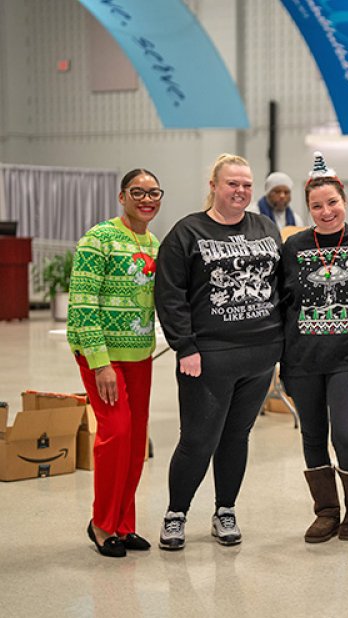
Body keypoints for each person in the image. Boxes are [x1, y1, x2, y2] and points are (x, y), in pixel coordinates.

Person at [154, 154, 283, 550]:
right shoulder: (186, 232)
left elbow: (283, 286)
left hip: (260, 355)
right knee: (197, 439)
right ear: (213, 185)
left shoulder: (266, 226)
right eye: (232, 184)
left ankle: (225, 510)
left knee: (236, 437)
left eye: (246, 184)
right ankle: (176, 514)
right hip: (208, 357)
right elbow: (170, 294)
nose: (241, 191)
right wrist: (185, 346)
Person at [279, 152, 348, 543]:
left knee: (345, 434)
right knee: (312, 435)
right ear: (308, 208)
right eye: (317, 206)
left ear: (344, 201)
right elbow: (280, 303)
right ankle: (326, 512)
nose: (326, 212)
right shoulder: (293, 248)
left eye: (332, 203)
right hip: (303, 358)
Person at [67, 169, 162, 558]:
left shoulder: (153, 243)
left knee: (136, 441)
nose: (146, 199)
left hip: (140, 353)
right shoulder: (98, 238)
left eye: (153, 192)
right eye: (137, 192)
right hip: (103, 356)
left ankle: (124, 524)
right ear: (122, 196)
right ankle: (102, 524)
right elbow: (82, 303)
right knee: (116, 434)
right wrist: (100, 362)